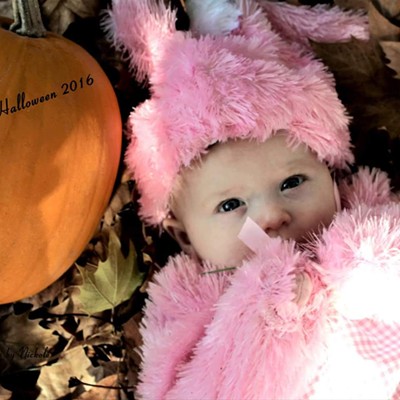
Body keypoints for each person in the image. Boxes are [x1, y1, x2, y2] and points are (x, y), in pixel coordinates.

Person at [107, 0, 400, 398]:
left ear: (332, 176)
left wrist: (360, 262)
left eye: (293, 181)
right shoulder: (193, 302)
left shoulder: (370, 220)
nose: (272, 214)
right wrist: (268, 311)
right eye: (230, 205)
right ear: (185, 237)